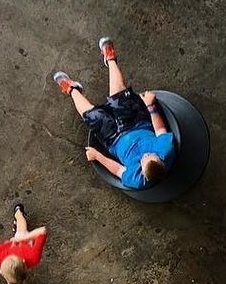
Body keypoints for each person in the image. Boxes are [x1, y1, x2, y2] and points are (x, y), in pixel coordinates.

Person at [53, 36, 176, 189]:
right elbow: (160, 129)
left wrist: (97, 156)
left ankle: (72, 89)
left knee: (92, 117)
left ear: (143, 174)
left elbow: (118, 170)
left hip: (114, 140)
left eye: (143, 160)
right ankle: (110, 58)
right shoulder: (165, 150)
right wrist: (151, 107)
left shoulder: (137, 180)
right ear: (159, 158)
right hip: (137, 123)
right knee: (118, 98)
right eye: (149, 155)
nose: (144, 155)